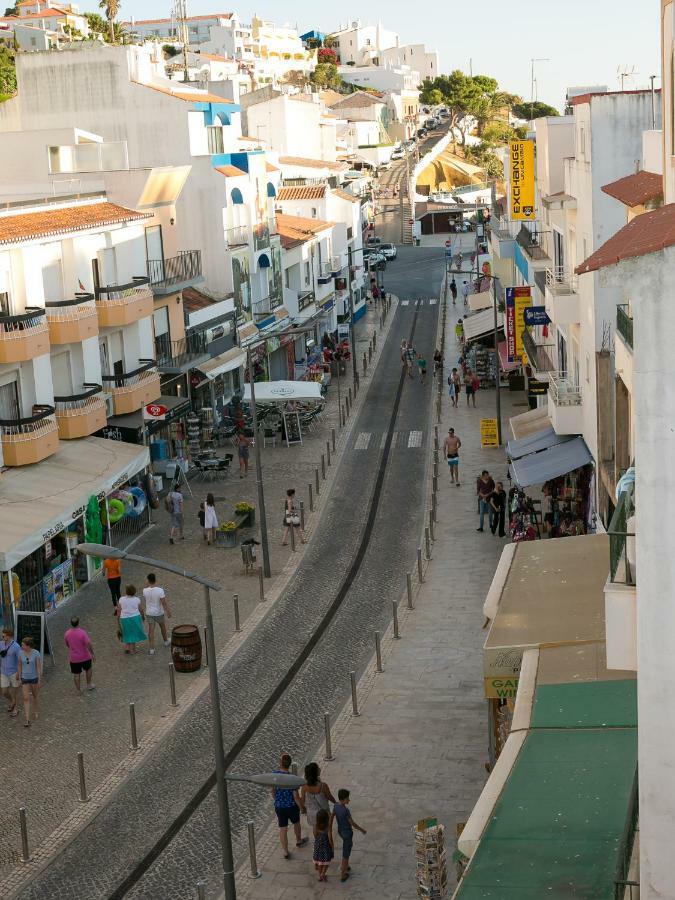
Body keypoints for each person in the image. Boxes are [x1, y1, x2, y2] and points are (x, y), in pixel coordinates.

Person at [272, 752, 308, 859]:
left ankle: (286, 851)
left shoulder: (274, 775)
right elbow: (296, 796)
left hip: (279, 807)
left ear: (280, 763)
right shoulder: (292, 778)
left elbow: (272, 791)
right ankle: (298, 840)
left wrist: (278, 800)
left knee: (283, 829)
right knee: (296, 823)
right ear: (289, 764)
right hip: (291, 806)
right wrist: (302, 808)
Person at [331, 788, 367, 883]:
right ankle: (343, 874)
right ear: (343, 799)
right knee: (345, 854)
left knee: (346, 850)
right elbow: (352, 823)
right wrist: (362, 830)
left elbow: (332, 816)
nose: (349, 800)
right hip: (347, 834)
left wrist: (329, 828)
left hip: (340, 831)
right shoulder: (346, 811)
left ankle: (346, 866)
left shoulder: (335, 806)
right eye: (347, 799)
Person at [299, 762, 336, 837]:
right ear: (315, 773)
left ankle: (317, 841)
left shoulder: (304, 787)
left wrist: (303, 809)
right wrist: (335, 802)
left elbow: (302, 801)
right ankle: (326, 841)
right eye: (318, 768)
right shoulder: (323, 786)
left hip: (311, 812)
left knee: (315, 826)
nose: (320, 769)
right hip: (323, 812)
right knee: (326, 827)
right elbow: (329, 797)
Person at [142, 573, 171, 656]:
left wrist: (147, 584)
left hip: (149, 613)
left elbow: (146, 598)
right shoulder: (160, 590)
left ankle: (151, 649)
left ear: (148, 580)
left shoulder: (144, 590)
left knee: (151, 631)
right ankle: (166, 641)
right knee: (162, 627)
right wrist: (168, 611)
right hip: (159, 612)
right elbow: (164, 603)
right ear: (155, 580)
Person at [64, 617, 95, 693]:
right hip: (85, 656)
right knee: (89, 669)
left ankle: (78, 690)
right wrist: (92, 653)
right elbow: (88, 644)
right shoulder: (82, 632)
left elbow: (67, 644)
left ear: (71, 623)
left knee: (76, 674)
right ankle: (89, 685)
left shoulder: (67, 633)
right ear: (78, 623)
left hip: (74, 658)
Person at [17, 636, 41, 727]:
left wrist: (39, 679)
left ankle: (35, 710)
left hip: (34, 678)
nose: (21, 646)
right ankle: (27, 719)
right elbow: (19, 665)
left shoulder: (36, 653)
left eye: (23, 645)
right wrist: (19, 677)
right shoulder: (20, 653)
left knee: (35, 696)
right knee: (26, 698)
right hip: (24, 678)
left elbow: (38, 667)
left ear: (28, 645)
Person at [117, 585, 146, 654]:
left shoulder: (121, 599)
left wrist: (118, 618)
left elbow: (119, 610)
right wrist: (143, 616)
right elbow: (141, 610)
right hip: (135, 618)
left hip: (124, 618)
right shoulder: (137, 599)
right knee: (133, 633)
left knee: (126, 632)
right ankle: (132, 650)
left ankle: (127, 647)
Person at [0, 626, 20, 717]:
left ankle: (16, 708)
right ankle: (12, 701)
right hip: (3, 672)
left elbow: (20, 661)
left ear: (9, 636)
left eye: (4, 636)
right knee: (4, 692)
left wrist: (19, 673)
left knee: (15, 692)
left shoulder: (16, 646)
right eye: (2, 636)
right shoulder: (1, 644)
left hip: (14, 672)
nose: (2, 637)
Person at [312, 808, 334, 883]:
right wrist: (332, 847)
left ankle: (319, 875)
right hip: (326, 847)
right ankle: (323, 874)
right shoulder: (328, 827)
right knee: (326, 862)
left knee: (319, 862)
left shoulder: (315, 826)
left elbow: (315, 835)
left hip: (318, 847)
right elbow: (330, 838)